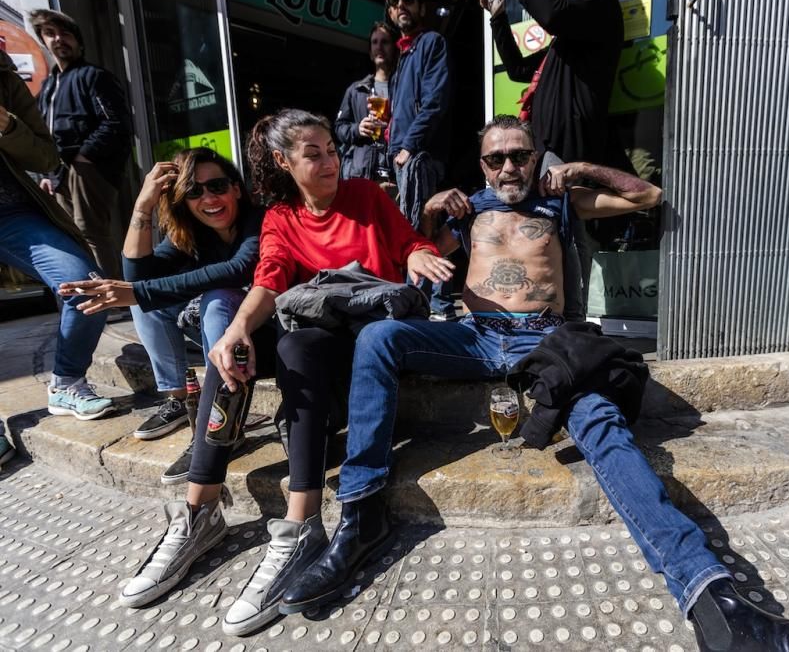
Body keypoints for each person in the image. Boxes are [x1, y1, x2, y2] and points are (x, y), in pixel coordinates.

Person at [276, 116, 789, 652]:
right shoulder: (467, 209)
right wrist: (432, 213)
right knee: (380, 338)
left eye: (520, 155)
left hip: (548, 341)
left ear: (537, 158)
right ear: (480, 163)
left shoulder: (561, 201)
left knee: (601, 422)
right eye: (496, 158)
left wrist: (579, 168)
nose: (509, 167)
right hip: (476, 336)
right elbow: (424, 254)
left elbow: (649, 194)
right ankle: (361, 515)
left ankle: (724, 611)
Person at [117, 109, 453, 637]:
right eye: (313, 153)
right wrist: (236, 332)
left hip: (371, 336)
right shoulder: (280, 217)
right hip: (315, 337)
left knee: (293, 344)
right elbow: (269, 279)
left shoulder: (366, 195)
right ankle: (199, 512)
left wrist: (419, 256)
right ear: (283, 161)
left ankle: (300, 525)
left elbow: (410, 241)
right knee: (245, 350)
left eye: (331, 150)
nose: (329, 162)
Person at [57, 148, 260, 484]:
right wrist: (143, 204)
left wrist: (138, 291)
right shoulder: (191, 234)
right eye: (194, 191)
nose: (208, 197)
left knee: (217, 299)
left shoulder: (260, 220)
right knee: (146, 299)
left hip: (258, 334)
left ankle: (223, 421)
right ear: (183, 201)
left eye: (217, 186)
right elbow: (138, 279)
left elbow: (239, 268)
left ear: (236, 188)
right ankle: (181, 399)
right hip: (218, 336)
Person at [480, 0, 632, 304]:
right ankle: (555, 316)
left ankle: (572, 323)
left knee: (569, 237)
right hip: (548, 150)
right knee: (550, 236)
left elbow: (553, 13)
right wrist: (497, 17)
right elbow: (518, 69)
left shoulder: (600, 1)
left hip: (568, 150)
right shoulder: (567, 40)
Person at [0, 49, 112, 421]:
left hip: (12, 214)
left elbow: (47, 157)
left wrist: (6, 126)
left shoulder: (4, 78)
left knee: (85, 283)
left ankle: (67, 382)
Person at [29, 9, 131, 280]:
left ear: (78, 40)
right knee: (71, 234)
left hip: (87, 167)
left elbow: (115, 123)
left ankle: (110, 299)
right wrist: (48, 174)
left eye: (65, 33)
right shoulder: (49, 86)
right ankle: (90, 293)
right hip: (60, 172)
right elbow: (44, 135)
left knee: (91, 232)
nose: (59, 39)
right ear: (43, 39)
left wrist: (84, 158)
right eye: (50, 33)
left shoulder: (93, 76)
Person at [384, 0, 456, 320]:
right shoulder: (405, 55)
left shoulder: (430, 43)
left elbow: (434, 102)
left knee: (421, 229)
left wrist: (408, 146)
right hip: (406, 155)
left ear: (421, 6)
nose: (401, 5)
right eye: (394, 1)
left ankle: (432, 308)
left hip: (420, 156)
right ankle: (432, 306)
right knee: (417, 228)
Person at [335, 22, 398, 183]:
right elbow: (339, 128)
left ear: (395, 48)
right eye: (375, 42)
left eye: (385, 42)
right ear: (370, 52)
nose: (379, 47)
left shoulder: (403, 89)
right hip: (360, 171)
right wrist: (358, 129)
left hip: (392, 171)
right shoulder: (356, 90)